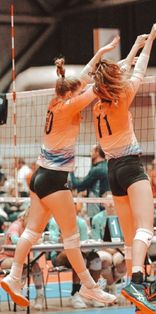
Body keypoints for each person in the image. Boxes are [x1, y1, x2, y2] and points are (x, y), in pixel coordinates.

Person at [0, 37, 120, 307]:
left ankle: (14, 275)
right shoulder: (69, 105)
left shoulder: (56, 101)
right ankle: (89, 287)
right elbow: (96, 86)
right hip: (54, 180)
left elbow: (84, 78)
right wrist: (122, 64)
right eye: (77, 92)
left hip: (39, 175)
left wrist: (101, 52)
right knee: (72, 239)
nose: (80, 93)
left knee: (32, 232)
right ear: (71, 94)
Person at [90, 17, 156, 313]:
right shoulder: (122, 96)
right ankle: (136, 280)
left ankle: (143, 290)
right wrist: (148, 42)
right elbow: (139, 67)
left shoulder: (98, 104)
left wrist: (133, 47)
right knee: (145, 231)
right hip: (131, 167)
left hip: (113, 172)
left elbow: (114, 73)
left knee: (130, 235)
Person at [47, 206, 104, 309]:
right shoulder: (54, 221)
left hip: (78, 252)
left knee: (95, 258)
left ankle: (93, 292)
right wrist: (60, 239)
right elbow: (52, 239)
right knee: (79, 258)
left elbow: (84, 243)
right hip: (59, 255)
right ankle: (75, 293)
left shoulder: (81, 222)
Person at [0, 208, 44, 310]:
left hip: (21, 258)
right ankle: (20, 295)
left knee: (34, 265)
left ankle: (39, 297)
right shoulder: (16, 225)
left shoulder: (29, 227)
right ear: (26, 217)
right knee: (24, 265)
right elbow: (16, 240)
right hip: (5, 258)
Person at [70, 144, 110, 218]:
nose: (90, 154)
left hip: (97, 210)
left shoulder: (97, 170)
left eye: (91, 151)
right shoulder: (108, 166)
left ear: (97, 152)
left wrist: (71, 171)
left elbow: (78, 185)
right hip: (108, 208)